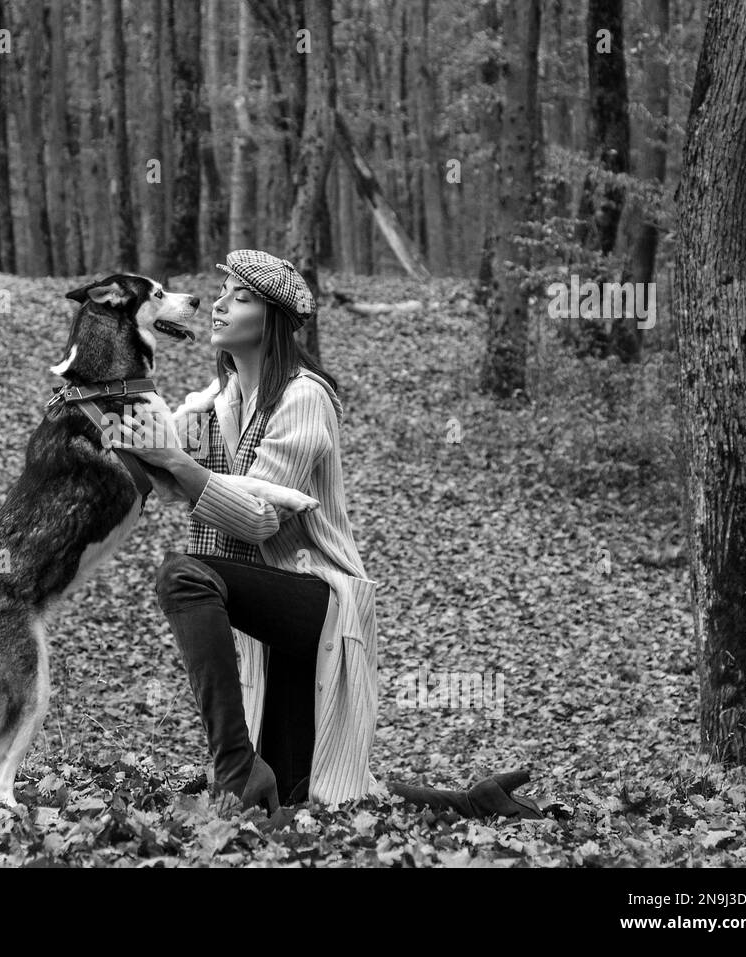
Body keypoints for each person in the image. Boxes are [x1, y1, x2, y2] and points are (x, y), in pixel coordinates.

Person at [112, 249, 542, 819]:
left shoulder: (304, 396)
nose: (218, 304)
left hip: (320, 598)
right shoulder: (222, 402)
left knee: (182, 575)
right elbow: (170, 470)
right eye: (222, 293)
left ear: (273, 321)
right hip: (272, 606)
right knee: (300, 794)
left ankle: (235, 766)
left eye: (240, 298)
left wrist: (175, 460)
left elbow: (259, 517)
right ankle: (469, 801)